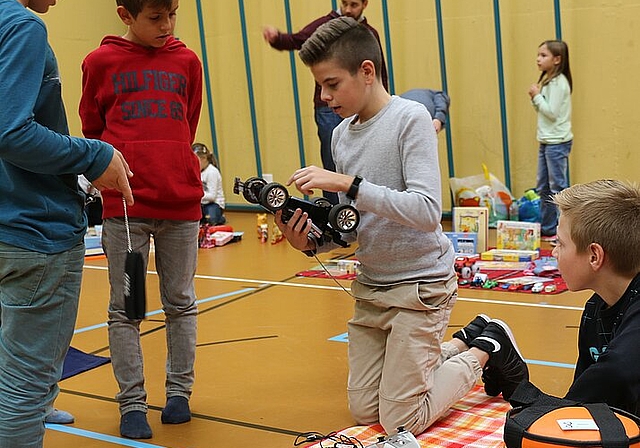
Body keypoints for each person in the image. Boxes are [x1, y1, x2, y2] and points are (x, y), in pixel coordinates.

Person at [273, 17, 528, 436]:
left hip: (421, 286)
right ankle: (462, 341)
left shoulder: (411, 118)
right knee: (364, 410)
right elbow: (352, 228)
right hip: (373, 288)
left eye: (332, 84)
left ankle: (486, 348)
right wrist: (308, 241)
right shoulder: (340, 136)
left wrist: (349, 184)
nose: (323, 96)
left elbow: (429, 210)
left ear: (367, 71)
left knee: (399, 420)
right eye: (320, 86)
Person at [0, 0, 133, 445]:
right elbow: (11, 132)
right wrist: (94, 154)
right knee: (21, 388)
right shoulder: (21, 25)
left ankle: (40, 398)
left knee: (17, 370)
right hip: (32, 231)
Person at [79, 0, 203, 439]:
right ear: (125, 14)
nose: (166, 26)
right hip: (126, 209)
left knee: (180, 302)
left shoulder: (187, 61)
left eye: (172, 15)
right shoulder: (100, 62)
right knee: (126, 308)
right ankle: (131, 403)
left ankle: (178, 394)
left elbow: (187, 122)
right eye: (155, 18)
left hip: (181, 206)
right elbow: (92, 131)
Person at [508, 179, 640, 415]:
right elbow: (583, 395)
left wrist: (539, 407)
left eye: (560, 243)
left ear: (594, 256)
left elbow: (617, 373)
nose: (554, 252)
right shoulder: (595, 307)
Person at [262, 0, 388, 204]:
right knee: (332, 165)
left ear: (365, 4)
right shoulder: (325, 24)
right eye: (344, 3)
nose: (347, 9)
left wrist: (384, 107)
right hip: (327, 114)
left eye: (353, 4)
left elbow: (380, 74)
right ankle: (334, 214)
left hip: (365, 112)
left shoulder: (369, 33)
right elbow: (297, 39)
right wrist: (277, 39)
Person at [528, 40, 573, 243]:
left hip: (557, 142)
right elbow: (544, 112)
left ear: (557, 59)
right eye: (538, 54)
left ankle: (566, 232)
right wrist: (536, 98)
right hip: (547, 140)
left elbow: (552, 113)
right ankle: (548, 229)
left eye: (543, 55)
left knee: (558, 188)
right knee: (543, 187)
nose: (538, 59)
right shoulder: (548, 80)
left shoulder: (559, 82)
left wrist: (537, 97)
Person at [193, 142, 226, 226]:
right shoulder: (194, 171)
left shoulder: (212, 172)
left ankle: (220, 217)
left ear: (204, 158)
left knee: (211, 219)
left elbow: (212, 196)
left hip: (213, 203)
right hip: (200, 203)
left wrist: (195, 195)